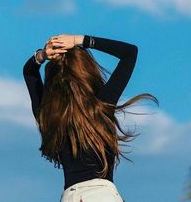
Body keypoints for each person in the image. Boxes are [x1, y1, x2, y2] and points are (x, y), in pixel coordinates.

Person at [23, 33, 158, 201]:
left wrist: (42, 55)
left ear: (52, 80)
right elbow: (129, 53)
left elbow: (29, 73)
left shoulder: (49, 116)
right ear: (87, 71)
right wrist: (80, 40)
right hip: (102, 195)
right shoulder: (100, 106)